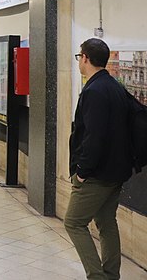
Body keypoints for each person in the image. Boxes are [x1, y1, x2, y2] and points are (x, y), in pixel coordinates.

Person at [64, 38, 132, 279]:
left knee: (73, 222)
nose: (79, 63)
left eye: (78, 57)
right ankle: (111, 274)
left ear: (85, 58)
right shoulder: (114, 86)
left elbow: (95, 136)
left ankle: (97, 276)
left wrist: (82, 171)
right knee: (106, 222)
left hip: (96, 174)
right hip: (117, 171)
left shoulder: (93, 90)